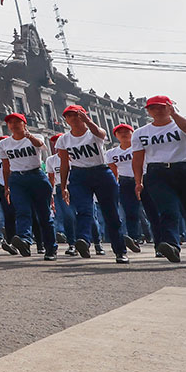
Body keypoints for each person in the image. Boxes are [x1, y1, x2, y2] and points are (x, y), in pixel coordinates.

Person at [56, 105, 132, 263]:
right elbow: (64, 164)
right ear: (66, 120)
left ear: (83, 115)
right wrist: (63, 186)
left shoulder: (93, 133)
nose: (73, 118)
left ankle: (120, 251)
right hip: (78, 175)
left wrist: (88, 121)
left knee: (111, 213)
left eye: (77, 115)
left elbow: (101, 134)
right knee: (84, 210)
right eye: (69, 116)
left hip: (101, 173)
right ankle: (83, 240)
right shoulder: (64, 139)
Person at [131, 95, 186, 263]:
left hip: (184, 168)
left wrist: (175, 115)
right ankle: (171, 245)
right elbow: (137, 159)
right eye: (153, 107)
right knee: (168, 210)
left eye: (162, 106)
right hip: (157, 173)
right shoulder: (140, 133)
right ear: (148, 111)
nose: (157, 110)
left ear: (170, 107)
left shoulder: (180, 125)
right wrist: (138, 181)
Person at [0, 113, 57, 259]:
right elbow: (6, 166)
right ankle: (24, 240)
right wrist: (6, 187)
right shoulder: (4, 144)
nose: (14, 124)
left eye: (17, 121)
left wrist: (28, 136)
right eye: (10, 122)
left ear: (24, 124)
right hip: (17, 179)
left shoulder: (35, 137)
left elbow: (40, 146)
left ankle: (50, 249)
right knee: (22, 211)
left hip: (36, 176)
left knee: (44, 215)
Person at [106, 124, 145, 246]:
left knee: (149, 210)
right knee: (130, 211)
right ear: (116, 136)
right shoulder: (111, 153)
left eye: (126, 132)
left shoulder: (139, 148)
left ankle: (155, 235)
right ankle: (134, 237)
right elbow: (113, 172)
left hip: (144, 179)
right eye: (120, 132)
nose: (123, 134)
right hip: (125, 183)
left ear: (132, 133)